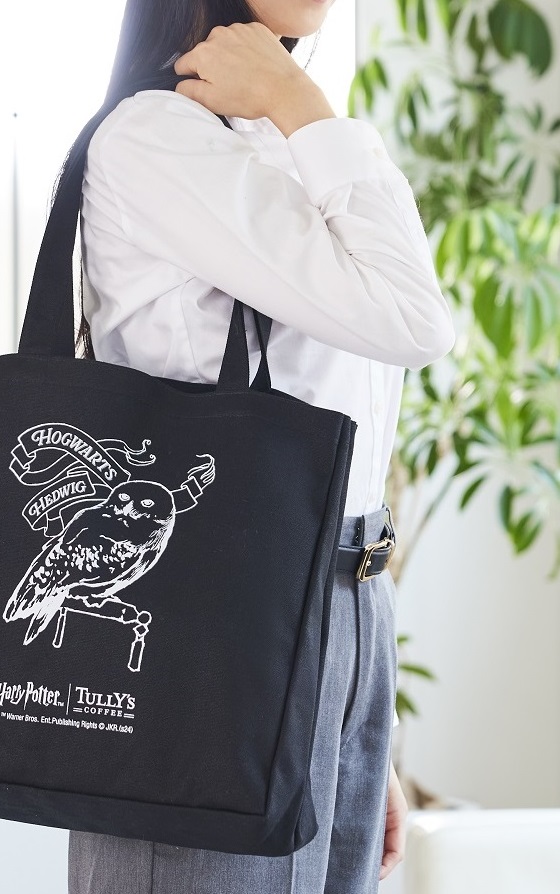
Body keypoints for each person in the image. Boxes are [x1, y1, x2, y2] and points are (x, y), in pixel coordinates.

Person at [67, 1, 456, 891]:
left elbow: (354, 412)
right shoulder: (160, 138)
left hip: (347, 606)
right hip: (220, 613)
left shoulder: (290, 138)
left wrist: (358, 716)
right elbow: (415, 320)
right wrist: (303, 104)